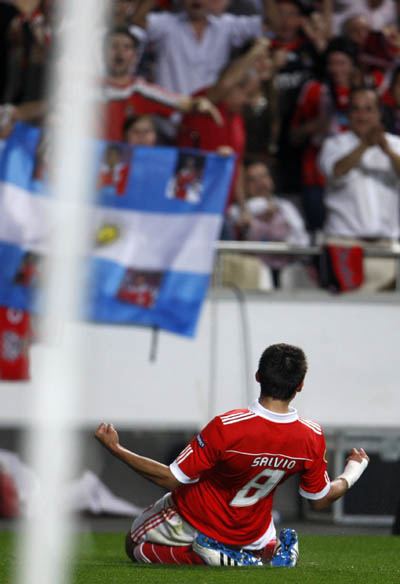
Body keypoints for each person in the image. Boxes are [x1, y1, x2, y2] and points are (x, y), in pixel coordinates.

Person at [94, 342, 370, 567]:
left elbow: (172, 479)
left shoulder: (228, 426)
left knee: (133, 545)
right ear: (300, 385)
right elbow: (319, 501)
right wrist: (353, 471)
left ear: (258, 375)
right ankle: (270, 552)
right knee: (260, 537)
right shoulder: (311, 435)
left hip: (198, 519)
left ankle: (210, 557)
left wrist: (117, 450)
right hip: (254, 531)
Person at [318, 87, 400, 291]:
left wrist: (387, 151)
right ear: (348, 115)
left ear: (379, 113)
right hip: (343, 247)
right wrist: (364, 145)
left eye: (368, 109)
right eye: (356, 109)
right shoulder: (334, 144)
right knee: (346, 314)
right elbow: (336, 171)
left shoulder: (396, 145)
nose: (362, 116)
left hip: (386, 248)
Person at [100, 26, 222, 142]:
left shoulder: (142, 91)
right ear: (103, 52)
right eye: (113, 46)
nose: (120, 52)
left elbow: (185, 104)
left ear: (135, 55)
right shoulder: (86, 87)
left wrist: (199, 104)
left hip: (128, 161)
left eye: (127, 47)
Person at [230, 161, 309, 287]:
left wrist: (286, 241)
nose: (260, 183)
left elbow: (303, 240)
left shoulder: (286, 207)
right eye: (252, 180)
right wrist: (262, 207)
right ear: (244, 186)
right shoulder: (239, 211)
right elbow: (237, 217)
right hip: (252, 273)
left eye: (263, 177)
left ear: (271, 180)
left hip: (285, 268)